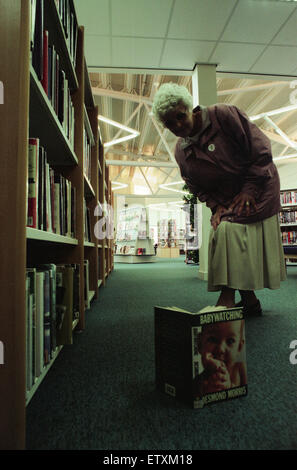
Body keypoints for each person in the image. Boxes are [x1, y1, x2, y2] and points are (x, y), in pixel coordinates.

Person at [152, 82, 286, 315]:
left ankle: (227, 298)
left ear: (190, 108)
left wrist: (250, 189)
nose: (177, 126)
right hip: (229, 201)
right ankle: (250, 301)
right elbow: (195, 186)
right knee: (219, 230)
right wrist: (216, 208)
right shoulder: (180, 152)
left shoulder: (224, 115)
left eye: (180, 117)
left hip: (259, 189)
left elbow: (261, 149)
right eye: (169, 124)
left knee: (226, 232)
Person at [193, 319, 247, 396]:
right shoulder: (196, 382)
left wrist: (229, 387)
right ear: (199, 344)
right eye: (212, 339)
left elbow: (243, 391)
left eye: (230, 341)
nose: (220, 349)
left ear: (239, 347)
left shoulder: (239, 367)